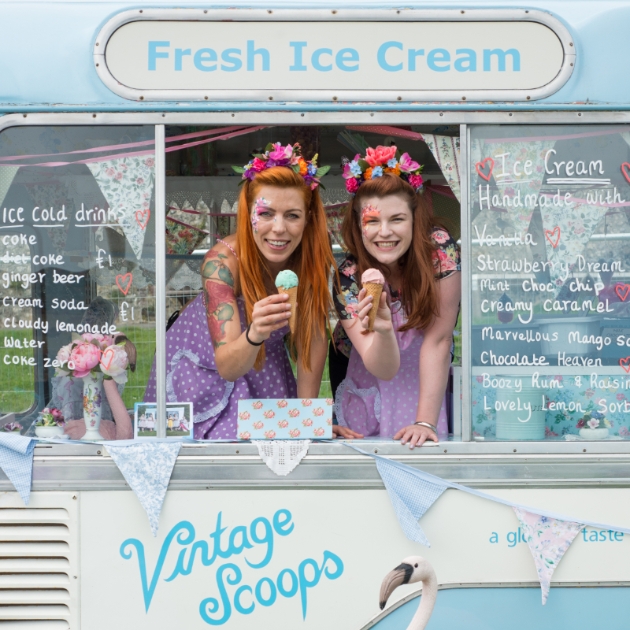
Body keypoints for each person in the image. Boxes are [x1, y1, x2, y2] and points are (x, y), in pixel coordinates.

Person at [145, 142, 337, 439]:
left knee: (275, 453)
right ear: (248, 214)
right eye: (266, 214)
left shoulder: (312, 261)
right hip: (203, 366)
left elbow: (312, 340)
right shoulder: (221, 262)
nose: (278, 229)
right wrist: (255, 333)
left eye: (292, 215)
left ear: (308, 218)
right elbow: (228, 365)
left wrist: (308, 419)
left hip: (263, 364)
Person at [331, 145, 461, 448]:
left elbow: (439, 339)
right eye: (372, 221)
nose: (384, 232)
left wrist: (425, 421)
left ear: (415, 219)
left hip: (427, 374)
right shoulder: (348, 278)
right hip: (372, 373)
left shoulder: (440, 252)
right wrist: (383, 328)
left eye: (397, 219)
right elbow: (383, 368)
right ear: (357, 223)